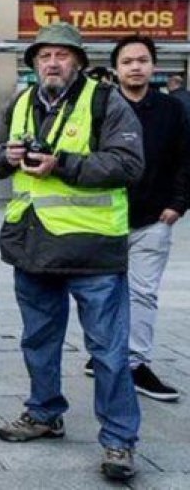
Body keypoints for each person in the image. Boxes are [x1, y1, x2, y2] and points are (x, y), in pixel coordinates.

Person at [0, 22, 144, 481]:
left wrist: (64, 164)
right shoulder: (20, 102)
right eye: (43, 56)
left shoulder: (105, 101)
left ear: (77, 61)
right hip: (32, 246)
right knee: (38, 339)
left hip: (92, 251)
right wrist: (6, 158)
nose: (52, 63)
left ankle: (118, 441)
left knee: (109, 351)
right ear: (34, 63)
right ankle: (43, 413)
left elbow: (130, 164)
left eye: (61, 55)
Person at [94, 36, 187, 402]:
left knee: (143, 293)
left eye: (143, 60)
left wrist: (178, 204)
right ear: (116, 68)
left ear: (153, 66)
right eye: (128, 61)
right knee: (103, 296)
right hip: (102, 218)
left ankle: (134, 364)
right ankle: (103, 355)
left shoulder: (172, 109)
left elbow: (185, 158)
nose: (136, 67)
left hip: (152, 219)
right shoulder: (99, 106)